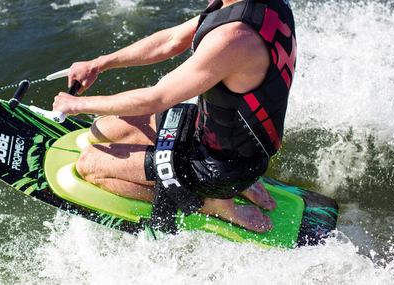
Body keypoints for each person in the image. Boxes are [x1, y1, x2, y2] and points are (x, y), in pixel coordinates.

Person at [52, 0, 296, 233]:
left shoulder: (233, 38)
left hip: (219, 167)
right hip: (220, 134)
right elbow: (171, 41)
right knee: (102, 129)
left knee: (89, 165)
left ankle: (211, 202)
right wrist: (99, 64)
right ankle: (240, 185)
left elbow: (156, 98)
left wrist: (77, 104)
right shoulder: (255, 6)